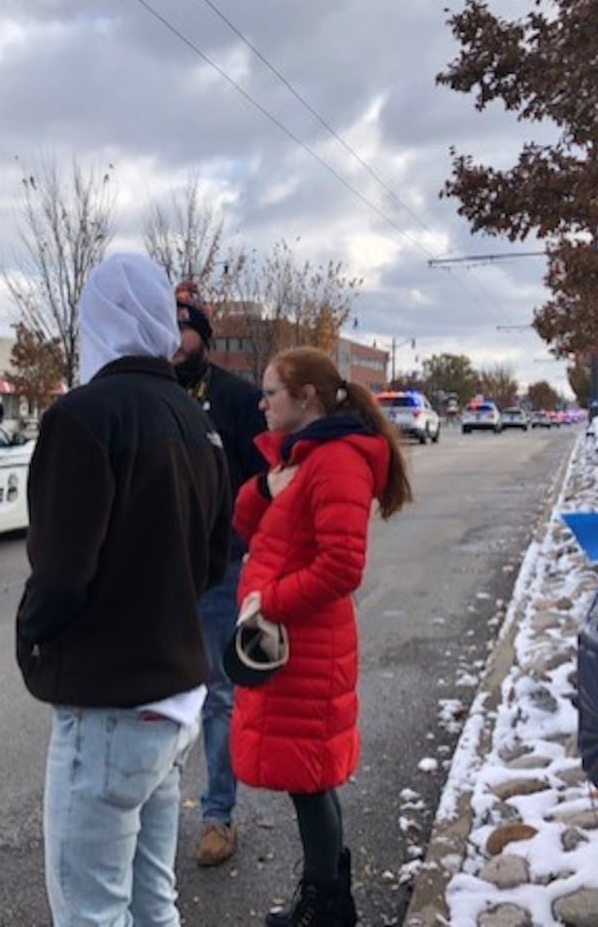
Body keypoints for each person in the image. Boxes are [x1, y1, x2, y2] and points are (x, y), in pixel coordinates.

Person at [15, 252, 232, 927]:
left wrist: (34, 638)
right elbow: (211, 564)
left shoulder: (82, 416)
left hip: (106, 703)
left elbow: (59, 570)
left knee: (90, 911)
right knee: (149, 901)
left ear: (98, 321)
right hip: (173, 701)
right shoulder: (197, 421)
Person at [229, 347, 412, 927]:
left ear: (307, 396)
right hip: (294, 643)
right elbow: (244, 522)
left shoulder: (335, 462)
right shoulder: (304, 459)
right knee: (307, 775)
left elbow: (341, 566)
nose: (261, 403)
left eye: (271, 392)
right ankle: (326, 899)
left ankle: (326, 906)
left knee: (309, 778)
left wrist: (270, 602)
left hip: (304, 643)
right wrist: (265, 486)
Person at [171, 279, 268, 868]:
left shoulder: (236, 397)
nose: (174, 340)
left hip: (219, 567)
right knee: (154, 691)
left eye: (184, 328)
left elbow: (266, 480)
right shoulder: (151, 389)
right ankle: (149, 813)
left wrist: (246, 539)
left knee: (216, 696)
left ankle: (217, 816)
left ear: (203, 336)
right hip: (158, 569)